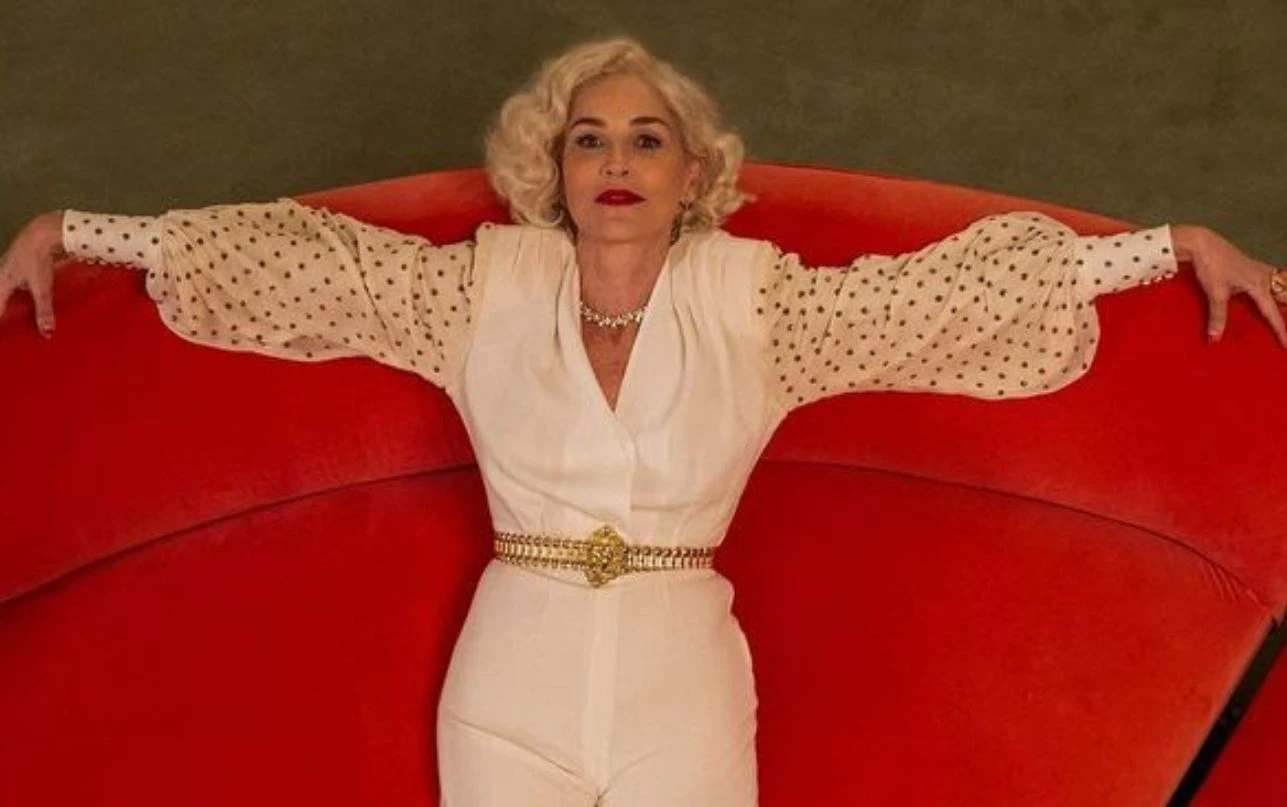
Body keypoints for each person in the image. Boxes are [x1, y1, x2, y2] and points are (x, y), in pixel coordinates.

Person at [3, 35, 1286, 807]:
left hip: (684, 684)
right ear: (553, 171)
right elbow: (307, 269)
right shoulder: (475, 290)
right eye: (589, 140)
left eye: (647, 139)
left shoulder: (762, 305)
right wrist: (79, 229)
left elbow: (935, 300)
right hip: (507, 682)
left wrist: (1169, 245)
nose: (616, 161)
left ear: (692, 173)